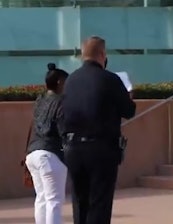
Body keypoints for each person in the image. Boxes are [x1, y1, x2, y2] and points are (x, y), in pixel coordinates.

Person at [62, 36, 136, 224]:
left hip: (73, 149)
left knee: (80, 203)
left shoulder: (70, 80)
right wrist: (129, 95)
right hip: (101, 150)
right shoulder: (110, 79)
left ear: (82, 55)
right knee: (99, 204)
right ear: (102, 54)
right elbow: (129, 110)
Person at [25, 63, 69, 224]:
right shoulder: (62, 102)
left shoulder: (40, 100)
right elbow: (63, 129)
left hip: (33, 154)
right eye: (66, 82)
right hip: (50, 155)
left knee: (42, 198)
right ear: (59, 82)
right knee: (54, 201)